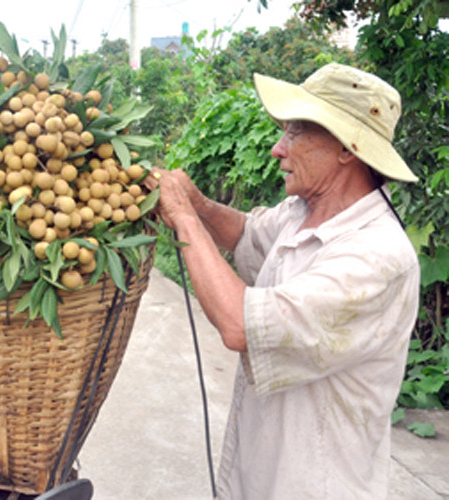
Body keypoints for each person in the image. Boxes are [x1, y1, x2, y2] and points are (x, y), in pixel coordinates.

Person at [147, 63, 420, 498]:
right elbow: (248, 234)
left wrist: (182, 217)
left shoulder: (375, 258)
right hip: (263, 472)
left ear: (347, 149)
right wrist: (198, 204)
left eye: (294, 133)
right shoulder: (305, 210)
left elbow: (239, 324)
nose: (278, 148)